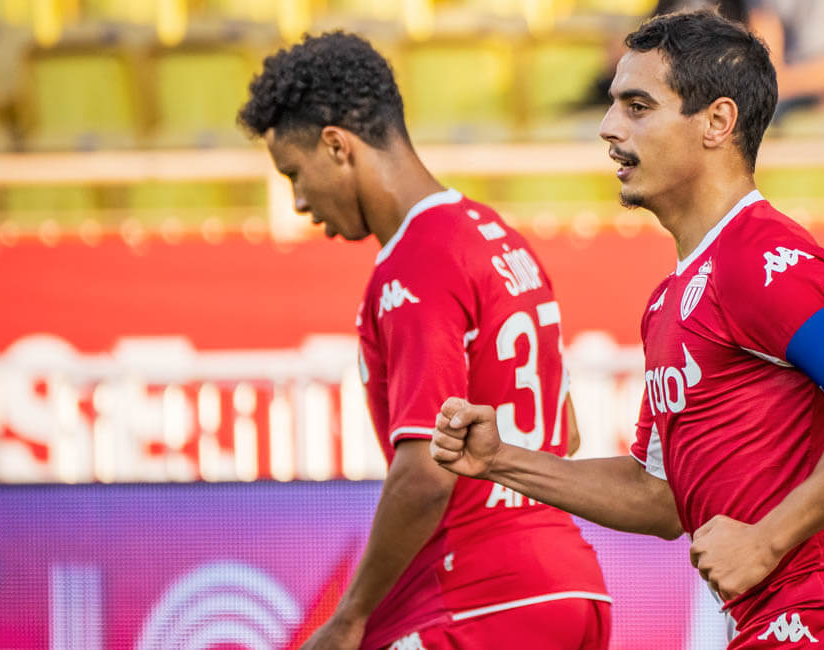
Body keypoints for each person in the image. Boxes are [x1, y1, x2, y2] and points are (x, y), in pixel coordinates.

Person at [432, 11, 824, 648]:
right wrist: (499, 461)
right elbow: (659, 497)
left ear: (717, 122)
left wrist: (767, 539)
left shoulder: (760, 254)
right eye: (614, 105)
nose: (609, 126)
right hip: (790, 620)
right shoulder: (668, 301)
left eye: (638, 106)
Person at [238, 32, 610, 650]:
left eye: (294, 174)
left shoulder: (415, 263)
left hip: (478, 602)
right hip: (571, 588)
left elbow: (425, 473)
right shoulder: (499, 237)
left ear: (336, 145)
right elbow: (564, 432)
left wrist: (349, 617)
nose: (299, 201)